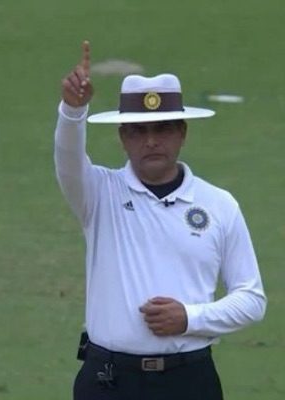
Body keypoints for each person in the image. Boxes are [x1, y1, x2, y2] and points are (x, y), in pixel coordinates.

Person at [55, 41, 266, 400]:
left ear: (182, 132)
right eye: (138, 130)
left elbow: (251, 299)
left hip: (189, 381)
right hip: (109, 381)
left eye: (164, 128)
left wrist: (190, 317)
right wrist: (73, 111)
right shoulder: (98, 193)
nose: (151, 141)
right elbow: (68, 158)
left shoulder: (219, 205)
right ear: (123, 137)